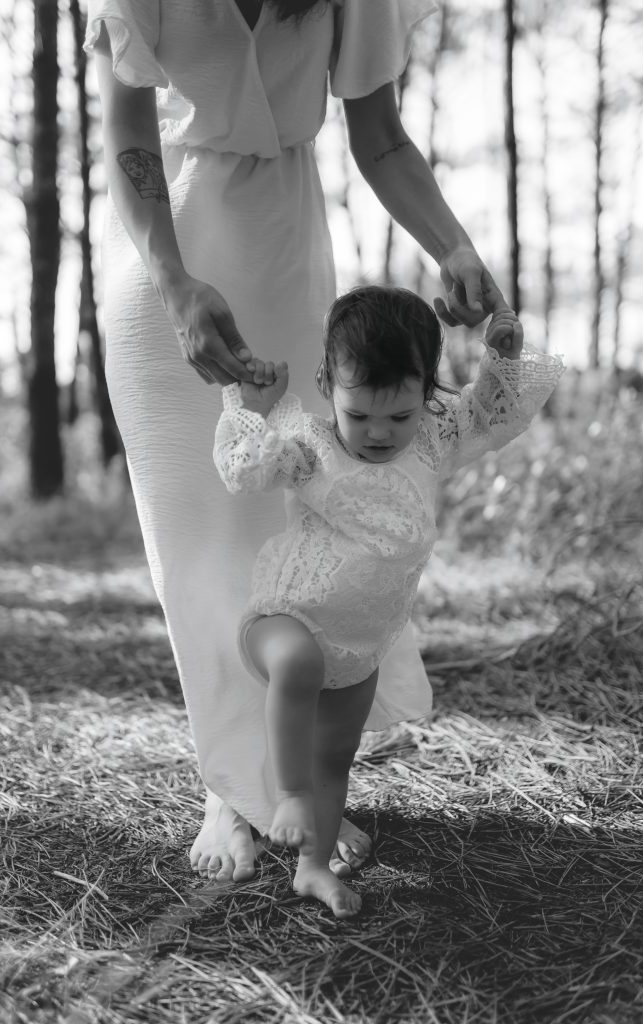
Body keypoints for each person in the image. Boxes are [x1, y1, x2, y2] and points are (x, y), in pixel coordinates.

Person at [85, 0, 514, 885]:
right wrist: (174, 281)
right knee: (199, 537)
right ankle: (230, 784)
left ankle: (295, 775)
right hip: (160, 254)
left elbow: (380, 137)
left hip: (283, 241)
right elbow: (126, 127)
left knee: (297, 512)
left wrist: (454, 246)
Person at [213, 285, 564, 916]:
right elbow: (244, 471)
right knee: (298, 665)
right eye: (359, 415)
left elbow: (491, 415)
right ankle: (287, 796)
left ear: (426, 394)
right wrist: (256, 410)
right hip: (287, 616)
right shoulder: (310, 446)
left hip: (361, 642)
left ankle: (312, 868)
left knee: (336, 757)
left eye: (399, 417)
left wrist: (503, 360)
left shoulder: (432, 439)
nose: (379, 433)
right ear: (328, 385)